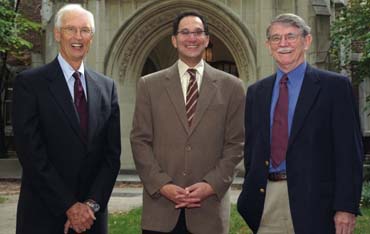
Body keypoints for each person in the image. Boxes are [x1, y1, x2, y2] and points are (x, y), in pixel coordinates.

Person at [237, 13, 363, 234]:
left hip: (317, 205)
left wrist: (345, 207)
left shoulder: (335, 87)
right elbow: (252, 149)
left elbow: (349, 153)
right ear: (268, 45)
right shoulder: (257, 92)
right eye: (276, 38)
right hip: (267, 201)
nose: (283, 43)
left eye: (290, 36)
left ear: (307, 41)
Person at [130, 11, 245, 234]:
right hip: (161, 211)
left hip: (209, 212)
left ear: (207, 39)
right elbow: (139, 141)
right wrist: (162, 185)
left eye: (198, 32)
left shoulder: (232, 87)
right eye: (184, 32)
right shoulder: (148, 85)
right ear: (174, 40)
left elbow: (236, 144)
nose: (191, 38)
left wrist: (211, 185)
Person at [12, 4, 121, 234]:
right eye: (71, 29)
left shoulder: (106, 87)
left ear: (92, 37)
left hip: (92, 219)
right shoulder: (30, 84)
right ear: (57, 33)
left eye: (85, 30)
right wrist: (69, 207)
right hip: (44, 216)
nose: (78, 37)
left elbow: (111, 156)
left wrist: (91, 204)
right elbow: (31, 154)